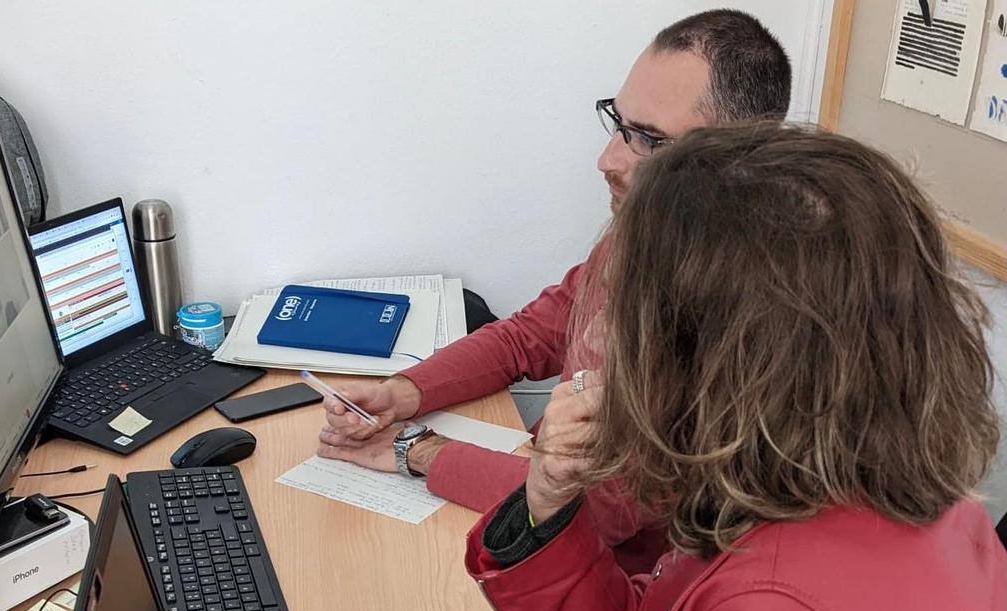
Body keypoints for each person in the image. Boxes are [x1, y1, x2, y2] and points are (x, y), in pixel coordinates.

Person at [473, 123, 1007, 611]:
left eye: (631, 312)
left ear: (718, 361)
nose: (607, 334)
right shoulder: (840, 493)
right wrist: (550, 506)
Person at [318, 10, 793, 574]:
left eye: (649, 140)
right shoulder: (647, 229)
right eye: (619, 123)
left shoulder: (729, 310)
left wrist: (415, 451)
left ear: (737, 157)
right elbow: (533, 334)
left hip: (606, 583)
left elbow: (593, 506)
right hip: (537, 499)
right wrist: (405, 392)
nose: (609, 159)